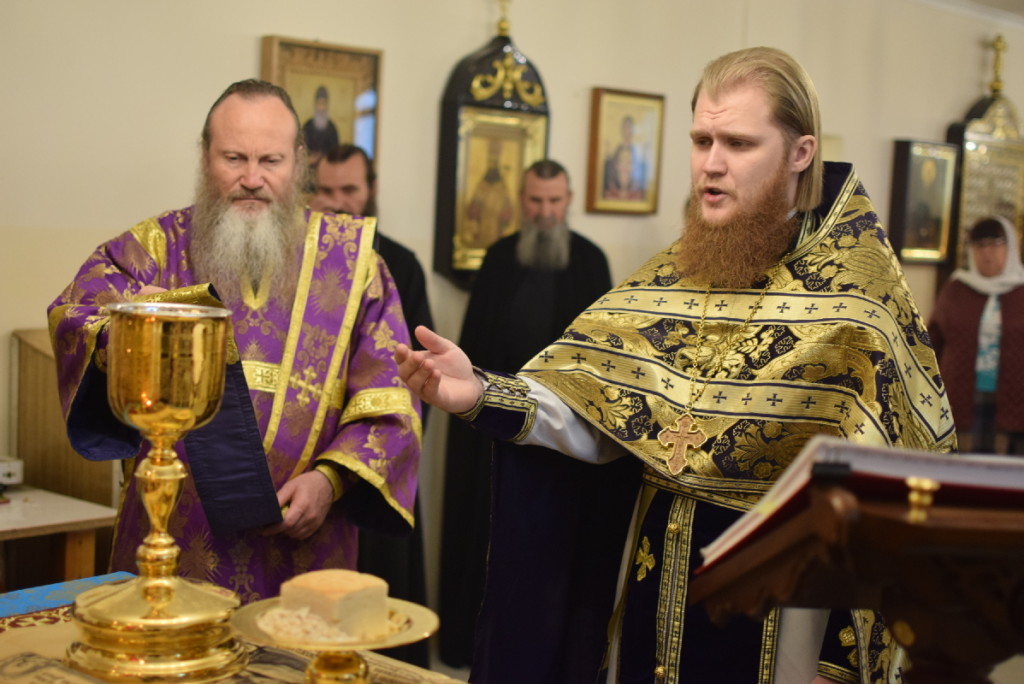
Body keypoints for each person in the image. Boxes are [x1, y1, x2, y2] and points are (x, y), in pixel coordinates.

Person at [397, 47, 955, 683]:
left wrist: (841, 665)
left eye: (738, 143)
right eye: (700, 140)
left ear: (801, 153)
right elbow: (597, 407)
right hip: (653, 586)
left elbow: (897, 500)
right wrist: (479, 392)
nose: (711, 164)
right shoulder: (672, 276)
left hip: (780, 613)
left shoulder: (859, 304)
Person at [48, 79, 421, 604]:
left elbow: (390, 398)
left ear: (299, 161)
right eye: (233, 158)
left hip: (309, 546)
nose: (252, 178)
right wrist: (129, 325)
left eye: (271, 160)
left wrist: (329, 481)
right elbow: (73, 316)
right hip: (172, 537)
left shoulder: (356, 264)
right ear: (205, 157)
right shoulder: (153, 249)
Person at [439, 158, 612, 667]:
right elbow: (472, 350)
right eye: (536, 200)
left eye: (554, 201)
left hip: (564, 439)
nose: (545, 211)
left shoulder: (591, 261)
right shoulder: (498, 259)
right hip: (497, 430)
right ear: (522, 201)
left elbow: (602, 359)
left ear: (569, 200)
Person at [309, 142, 432, 667]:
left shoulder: (401, 264)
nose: (338, 202)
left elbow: (420, 376)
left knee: (379, 613)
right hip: (307, 464)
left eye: (349, 190)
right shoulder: (295, 259)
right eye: (325, 190)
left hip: (377, 464)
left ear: (371, 191)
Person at [929, 215, 1024, 454]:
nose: (987, 252)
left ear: (1011, 247)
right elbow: (932, 345)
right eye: (979, 245)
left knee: (1007, 472)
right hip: (962, 398)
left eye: (995, 244)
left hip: (1016, 401)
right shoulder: (956, 289)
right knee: (962, 469)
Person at [302, 85, 341, 168]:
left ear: (327, 105)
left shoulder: (332, 128)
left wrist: (322, 158)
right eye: (319, 103)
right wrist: (310, 158)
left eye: (324, 104)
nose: (321, 108)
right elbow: (301, 150)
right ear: (315, 104)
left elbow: (335, 153)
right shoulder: (307, 126)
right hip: (308, 168)